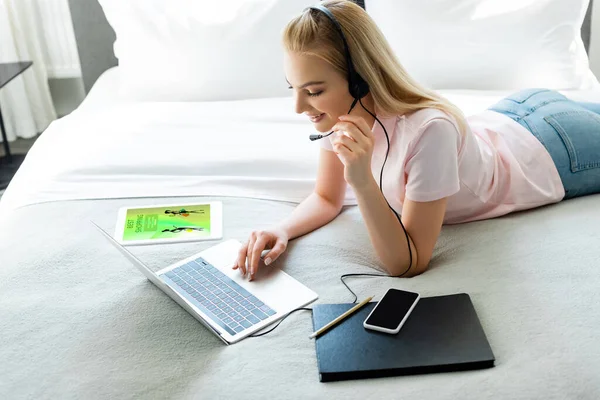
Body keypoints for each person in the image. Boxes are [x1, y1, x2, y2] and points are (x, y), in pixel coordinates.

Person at [233, 0, 600, 281]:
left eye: (312, 91)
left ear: (361, 79)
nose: (299, 107)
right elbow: (327, 198)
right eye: (294, 89)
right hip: (513, 115)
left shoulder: (429, 132)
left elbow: (406, 263)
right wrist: (281, 228)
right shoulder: (341, 116)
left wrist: (361, 181)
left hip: (557, 148)